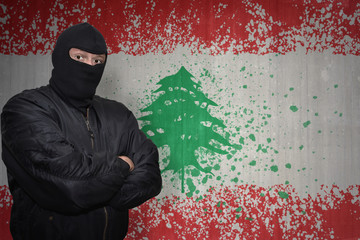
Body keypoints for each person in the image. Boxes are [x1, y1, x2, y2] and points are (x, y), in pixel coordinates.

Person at [1, 22, 162, 240]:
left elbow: (150, 177)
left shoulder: (119, 114)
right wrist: (123, 165)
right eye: (79, 57)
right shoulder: (25, 108)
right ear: (59, 57)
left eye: (97, 61)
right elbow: (70, 186)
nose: (89, 66)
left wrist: (96, 190)